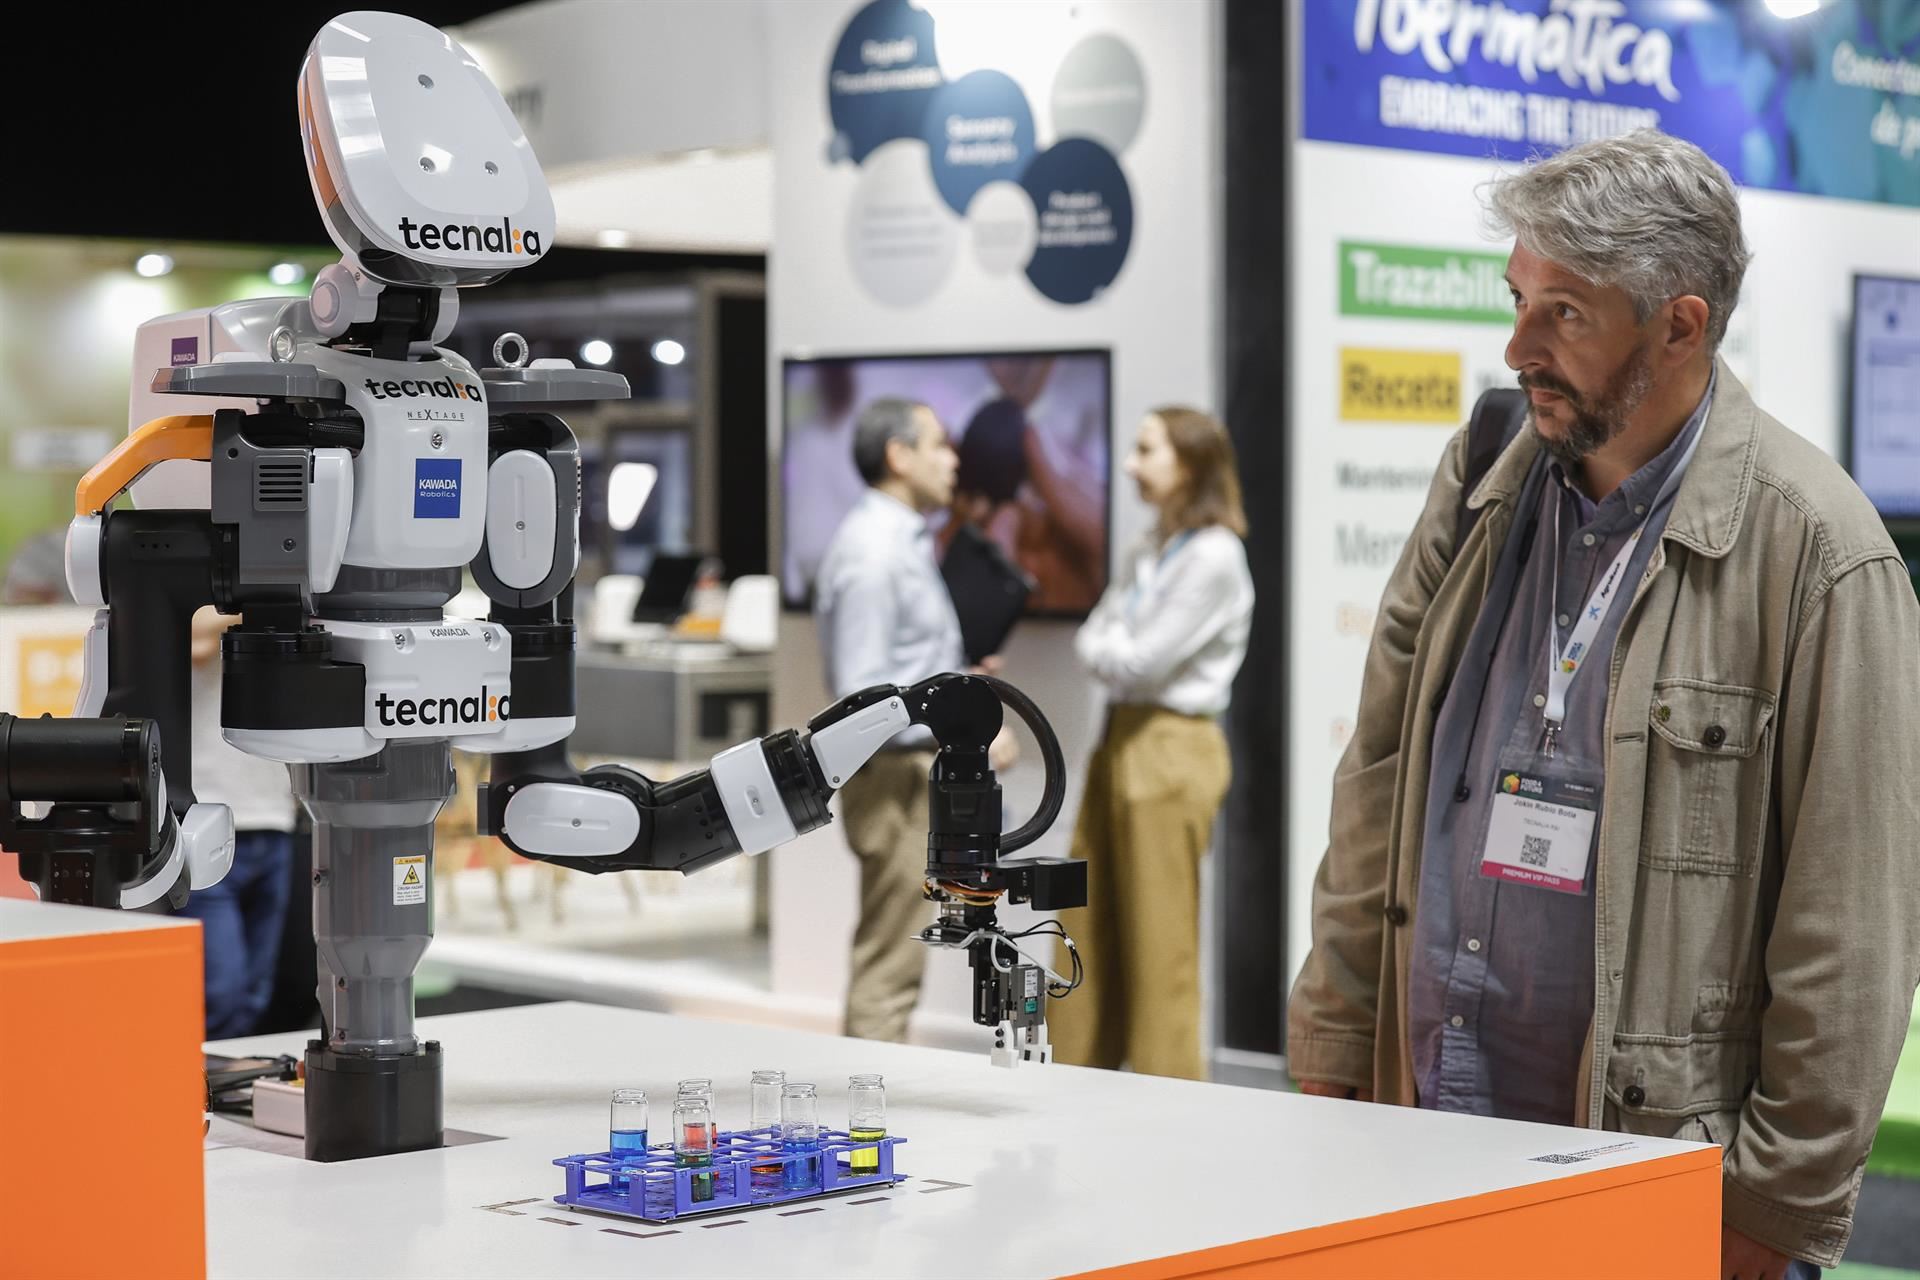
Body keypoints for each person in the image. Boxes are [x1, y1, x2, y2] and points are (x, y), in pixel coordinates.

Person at [1287, 130, 1920, 1280]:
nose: (1519, 344)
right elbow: (1376, 775)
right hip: (1424, 1131)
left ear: (1679, 323)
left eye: (1564, 313)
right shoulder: (1483, 472)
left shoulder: (1819, 553)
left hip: (1652, 1181)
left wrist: (1768, 1213)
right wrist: (1335, 1037)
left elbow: (1855, 925)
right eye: (1519, 297)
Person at [1051, 407, 1253, 1080]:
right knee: (1087, 922)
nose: (1131, 465)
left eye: (1146, 450)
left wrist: (1109, 648)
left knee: (1160, 935)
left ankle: (1171, 1097)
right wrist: (1111, 649)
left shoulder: (1216, 557)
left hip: (1172, 747)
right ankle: (1078, 1077)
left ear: (1189, 463)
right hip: (1120, 740)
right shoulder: (1148, 549)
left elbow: (1138, 661)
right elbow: (1097, 644)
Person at [815, 397, 1014, 1042]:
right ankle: (864, 1127)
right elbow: (863, 703)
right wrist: (955, 728)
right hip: (895, 780)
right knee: (889, 962)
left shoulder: (903, 539)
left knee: (899, 958)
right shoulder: (874, 552)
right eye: (939, 445)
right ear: (899, 457)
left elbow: (902, 673)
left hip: (911, 777)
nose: (953, 460)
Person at [181, 606, 300, 1039]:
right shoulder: (202, 609)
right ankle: (196, 1083)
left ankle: (218, 1082)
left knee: (255, 991)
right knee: (221, 990)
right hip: (209, 821)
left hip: (274, 821)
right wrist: (257, 607)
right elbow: (191, 639)